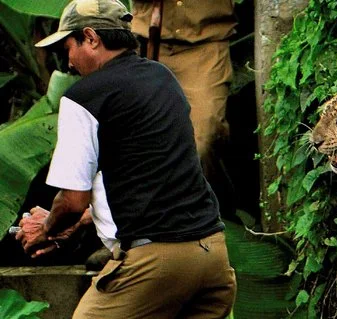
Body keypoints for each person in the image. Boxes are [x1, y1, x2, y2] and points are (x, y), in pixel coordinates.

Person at [14, 0, 236, 317]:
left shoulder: (84, 98)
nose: (70, 63)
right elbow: (143, 185)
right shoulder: (164, 79)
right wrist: (67, 225)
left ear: (90, 38)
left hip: (155, 265)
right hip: (212, 259)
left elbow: (74, 200)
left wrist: (46, 228)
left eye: (68, 48)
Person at [132, 0, 236, 216]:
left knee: (205, 140)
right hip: (149, 44)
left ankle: (217, 217)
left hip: (206, 45)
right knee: (144, 144)